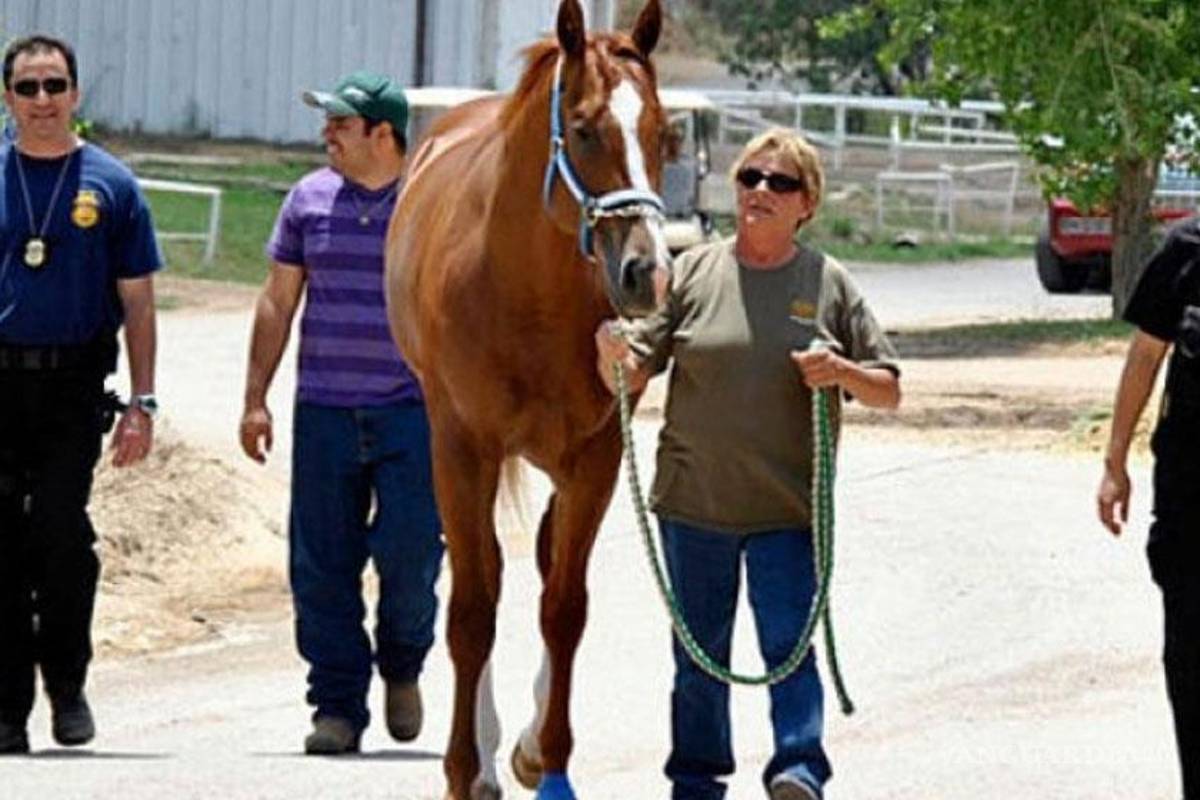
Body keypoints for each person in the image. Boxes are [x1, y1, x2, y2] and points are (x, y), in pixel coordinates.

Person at [596, 127, 901, 800]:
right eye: (750, 178)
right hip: (692, 503)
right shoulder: (696, 269)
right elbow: (637, 369)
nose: (761, 191)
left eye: (780, 183)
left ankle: (799, 769)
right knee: (696, 661)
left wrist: (841, 370)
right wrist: (612, 351)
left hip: (785, 510)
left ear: (807, 204)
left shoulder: (827, 282)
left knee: (790, 650)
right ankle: (697, 780)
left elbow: (888, 390)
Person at [238, 70, 444, 756]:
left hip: (412, 413)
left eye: (341, 124)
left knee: (412, 554)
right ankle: (337, 707)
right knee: (321, 564)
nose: (326, 133)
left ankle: (404, 661)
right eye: (328, 122)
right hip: (324, 408)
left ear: (383, 134)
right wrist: (255, 397)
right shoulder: (308, 199)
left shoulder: (428, 205)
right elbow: (277, 301)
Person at [0, 34, 162, 754]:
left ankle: (67, 687)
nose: (42, 100)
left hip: (72, 387)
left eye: (54, 85)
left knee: (61, 537)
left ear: (75, 94)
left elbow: (140, 304)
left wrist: (144, 402)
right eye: (27, 87)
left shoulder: (112, 186)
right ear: (7, 96)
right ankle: (6, 709)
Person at [1098, 216, 1200, 799]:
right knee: (1190, 667)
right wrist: (1115, 462)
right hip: (1190, 505)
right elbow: (1145, 355)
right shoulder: (1186, 247)